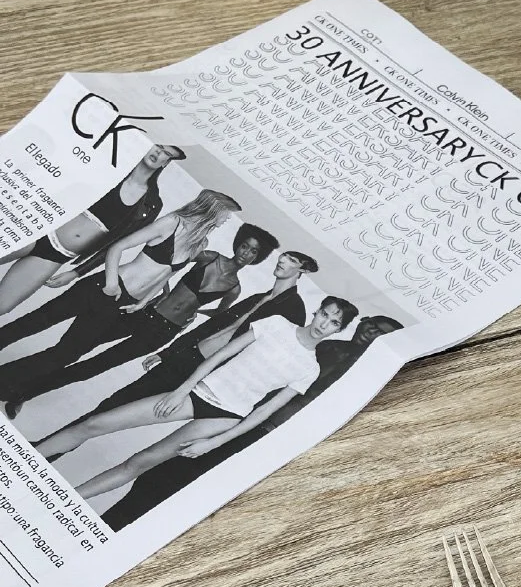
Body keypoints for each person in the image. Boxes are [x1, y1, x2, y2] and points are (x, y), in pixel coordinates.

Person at [99, 312, 403, 530]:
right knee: (170, 469)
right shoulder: (320, 344)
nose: (373, 333)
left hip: (279, 439)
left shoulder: (372, 376)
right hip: (243, 419)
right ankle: (112, 524)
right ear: (361, 322)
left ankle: (127, 531)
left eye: (383, 334)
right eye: (373, 325)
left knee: (200, 489)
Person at [39, 298, 360, 500]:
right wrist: (182, 390)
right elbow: (220, 355)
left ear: (338, 330)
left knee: (138, 463)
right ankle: (31, 459)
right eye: (325, 315)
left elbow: (263, 413)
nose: (324, 324)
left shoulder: (310, 368)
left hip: (224, 417)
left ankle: (68, 502)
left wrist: (216, 442)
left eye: (334, 323)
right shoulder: (276, 325)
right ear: (317, 311)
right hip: (196, 392)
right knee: (95, 423)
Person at [0, 189, 240, 414]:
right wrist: (111, 282)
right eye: (226, 215)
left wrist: (142, 301)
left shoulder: (201, 244)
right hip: (103, 286)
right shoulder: (172, 222)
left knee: (66, 354)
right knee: (35, 323)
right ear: (213, 210)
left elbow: (167, 273)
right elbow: (118, 247)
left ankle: (5, 379)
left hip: (123, 302)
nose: (227, 220)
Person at [67, 249, 318, 422]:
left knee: (129, 410)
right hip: (187, 356)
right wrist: (168, 352)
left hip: (206, 373)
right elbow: (211, 327)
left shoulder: (293, 309)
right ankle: (58, 442)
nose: (282, 260)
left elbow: (265, 357)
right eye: (283, 256)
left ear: (302, 270)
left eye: (291, 259)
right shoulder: (258, 297)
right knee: (119, 398)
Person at [0, 144, 185, 316]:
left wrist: (77, 272)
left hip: (56, 256)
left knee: (3, 305)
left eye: (166, 153)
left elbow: (115, 246)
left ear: (167, 163)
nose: (158, 153)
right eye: (158, 146)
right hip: (36, 231)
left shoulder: (152, 203)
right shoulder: (108, 169)